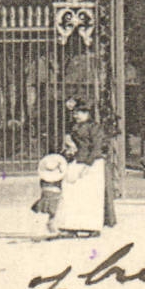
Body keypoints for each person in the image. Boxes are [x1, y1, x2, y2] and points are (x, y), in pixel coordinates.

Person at [53, 100, 106, 237]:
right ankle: (70, 226)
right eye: (75, 113)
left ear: (87, 113)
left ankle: (92, 227)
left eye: (79, 113)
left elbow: (96, 147)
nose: (76, 115)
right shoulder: (73, 127)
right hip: (76, 162)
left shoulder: (95, 127)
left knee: (90, 196)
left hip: (91, 164)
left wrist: (88, 165)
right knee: (71, 194)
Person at [31, 153, 66, 237]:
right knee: (54, 209)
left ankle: (48, 225)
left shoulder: (43, 179)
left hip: (46, 192)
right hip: (55, 192)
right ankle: (51, 225)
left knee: (46, 208)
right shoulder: (59, 179)